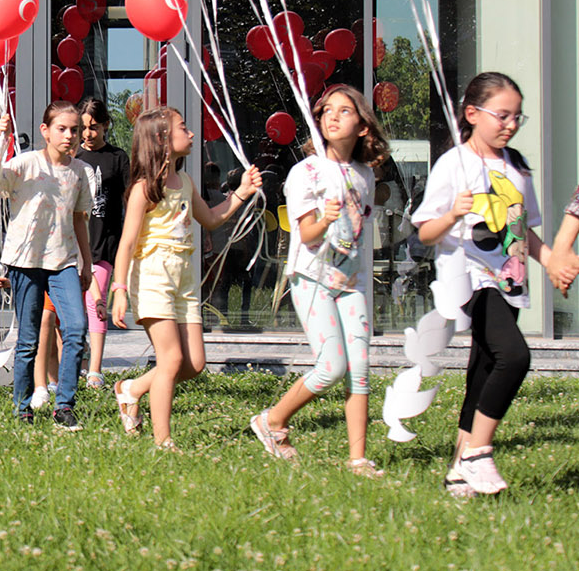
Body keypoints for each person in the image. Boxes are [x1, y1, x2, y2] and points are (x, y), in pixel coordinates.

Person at [411, 72, 563, 495]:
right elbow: (424, 232)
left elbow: (525, 230)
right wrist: (453, 214)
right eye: (502, 115)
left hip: (510, 281)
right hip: (472, 278)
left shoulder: (516, 167)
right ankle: (479, 452)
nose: (511, 124)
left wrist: (550, 261)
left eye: (518, 117)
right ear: (472, 114)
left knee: (483, 369)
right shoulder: (453, 163)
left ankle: (459, 470)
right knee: (513, 356)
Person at [250, 85, 387, 475]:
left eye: (344, 111)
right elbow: (306, 234)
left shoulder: (364, 174)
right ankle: (272, 421)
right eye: (327, 110)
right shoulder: (304, 172)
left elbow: (360, 232)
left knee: (359, 368)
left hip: (353, 282)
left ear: (363, 127)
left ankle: (358, 459)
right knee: (332, 366)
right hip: (312, 278)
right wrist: (325, 219)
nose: (332, 117)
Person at [111, 107, 261, 449]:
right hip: (153, 276)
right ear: (163, 140)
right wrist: (119, 290)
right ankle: (163, 442)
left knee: (194, 364)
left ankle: (131, 389)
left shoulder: (187, 182)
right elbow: (128, 243)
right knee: (172, 360)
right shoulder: (144, 188)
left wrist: (241, 192)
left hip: (184, 278)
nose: (191, 134)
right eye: (184, 127)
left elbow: (210, 218)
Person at [0, 101, 98, 430]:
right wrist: (1, 141)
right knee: (29, 338)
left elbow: (78, 219)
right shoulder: (26, 164)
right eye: (62, 129)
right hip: (25, 262)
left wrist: (86, 263)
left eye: (75, 130)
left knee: (76, 329)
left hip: (63, 263)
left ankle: (65, 404)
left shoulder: (80, 172)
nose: (70, 136)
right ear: (45, 131)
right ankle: (22, 406)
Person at [73, 96, 129, 388]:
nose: (87, 134)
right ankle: (79, 359)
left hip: (105, 241)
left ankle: (95, 369)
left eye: (93, 127)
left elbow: (128, 199)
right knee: (76, 306)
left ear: (106, 125)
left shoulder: (118, 158)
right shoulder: (73, 158)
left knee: (98, 301)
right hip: (75, 243)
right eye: (83, 128)